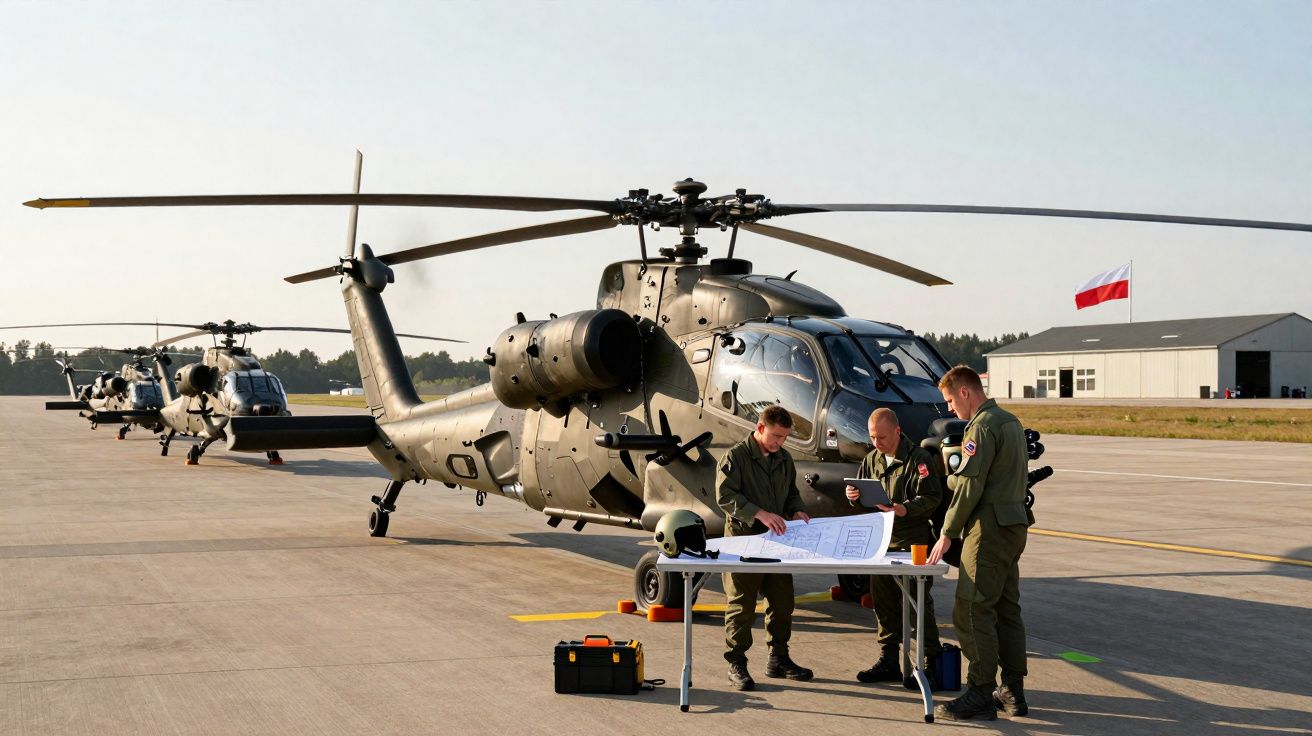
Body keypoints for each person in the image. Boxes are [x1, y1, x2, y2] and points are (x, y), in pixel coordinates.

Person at [928, 365, 1033, 720]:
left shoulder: (982, 427)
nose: (950, 410)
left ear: (965, 392)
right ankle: (1013, 691)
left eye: (949, 401)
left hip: (987, 530)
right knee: (1006, 609)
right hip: (1014, 526)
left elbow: (971, 485)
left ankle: (979, 691)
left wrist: (947, 531)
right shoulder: (1011, 422)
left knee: (972, 608)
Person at [716, 404, 814, 691]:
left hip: (777, 544)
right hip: (744, 541)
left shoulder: (783, 459)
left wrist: (796, 511)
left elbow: (791, 493)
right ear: (760, 428)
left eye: (784, 438)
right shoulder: (736, 457)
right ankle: (736, 663)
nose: (780, 443)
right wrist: (759, 513)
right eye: (776, 436)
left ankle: (779, 659)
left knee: (782, 603)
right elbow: (725, 495)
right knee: (741, 606)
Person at [844, 407, 943, 686]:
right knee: (884, 603)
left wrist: (904, 509)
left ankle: (929, 662)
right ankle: (888, 659)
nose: (877, 443)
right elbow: (864, 496)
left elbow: (932, 497)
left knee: (917, 603)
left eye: (882, 437)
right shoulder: (872, 459)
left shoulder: (918, 459)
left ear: (897, 432)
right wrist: (853, 495)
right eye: (873, 437)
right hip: (882, 543)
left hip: (912, 543)